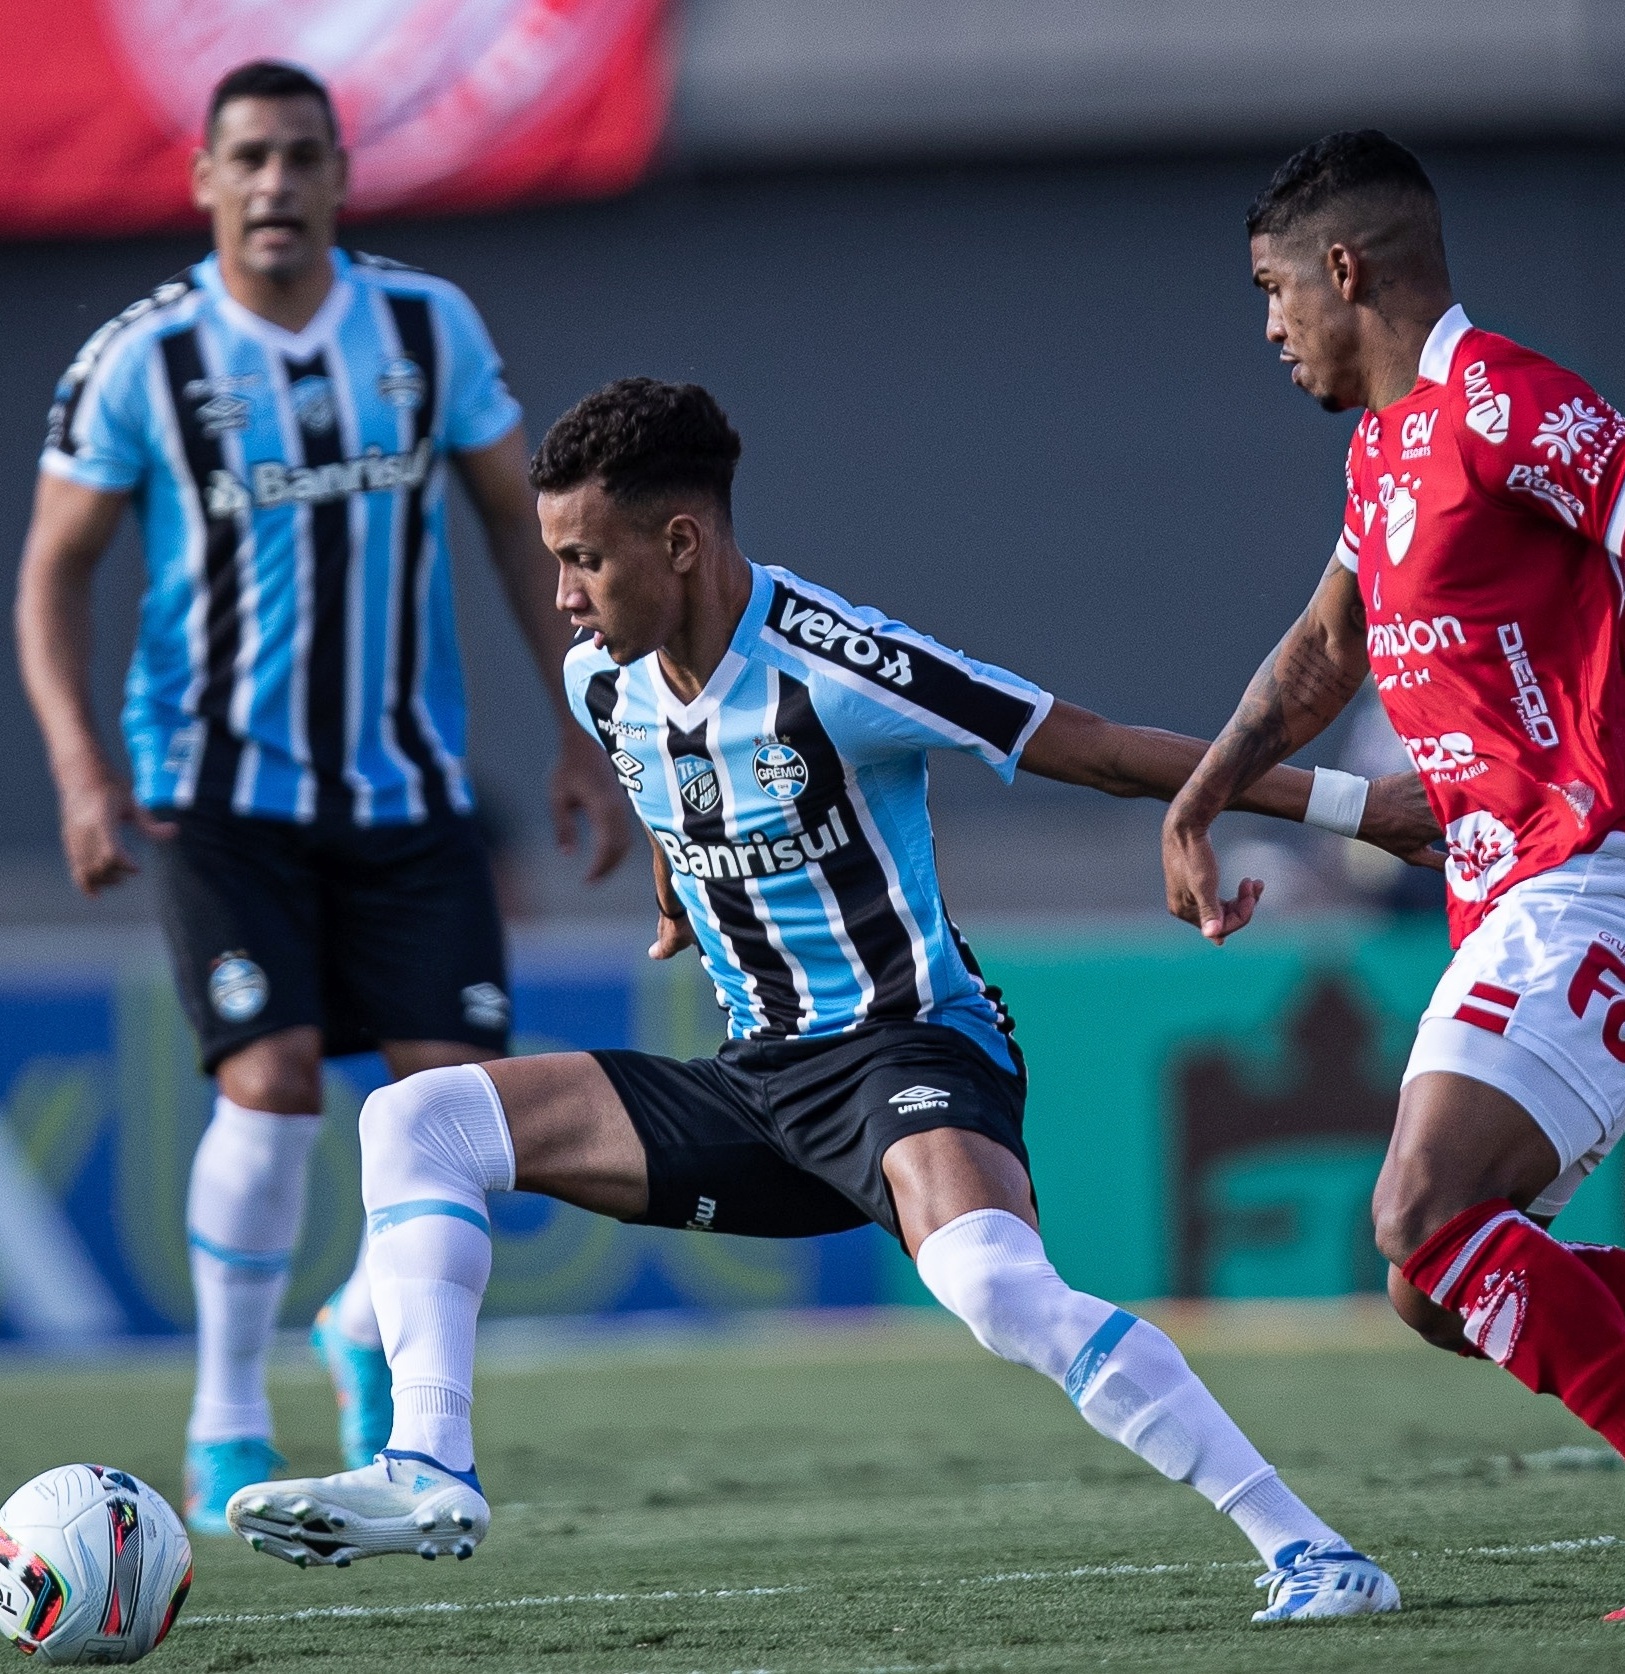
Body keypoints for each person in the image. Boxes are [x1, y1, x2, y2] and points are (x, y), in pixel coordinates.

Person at [225, 377, 1436, 1622]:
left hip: (906, 1056)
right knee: (415, 1121)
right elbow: (667, 784)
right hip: (754, 1086)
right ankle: (428, 1465)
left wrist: (1357, 810)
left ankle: (1314, 1551)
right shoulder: (609, 680)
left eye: (584, 560)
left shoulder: (838, 664)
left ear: (680, 542)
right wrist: (671, 888)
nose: (564, 598)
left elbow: (1100, 746)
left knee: (993, 1289)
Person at [14, 61, 631, 1534]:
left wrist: (584, 729)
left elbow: (520, 527)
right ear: (204, 182)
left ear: (341, 175)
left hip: (407, 792)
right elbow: (51, 569)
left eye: (303, 156)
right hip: (216, 792)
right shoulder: (143, 359)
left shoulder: (425, 328)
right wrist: (83, 765)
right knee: (273, 1081)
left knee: (461, 1115)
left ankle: (361, 1323)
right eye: (251, 159)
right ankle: (224, 1418)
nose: (277, 184)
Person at [1160, 129, 1625, 1621]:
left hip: (1603, 875)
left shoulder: (1506, 399)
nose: (1267, 329)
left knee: (1425, 1212)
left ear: (1344, 269)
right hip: (1505, 901)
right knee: (1430, 1278)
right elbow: (1325, 648)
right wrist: (1199, 796)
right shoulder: (1379, 449)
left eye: (1271, 291)